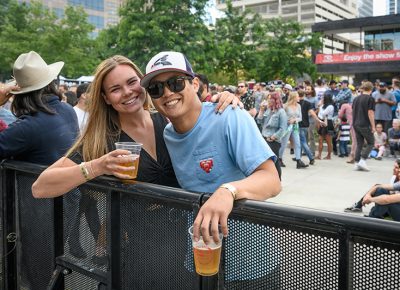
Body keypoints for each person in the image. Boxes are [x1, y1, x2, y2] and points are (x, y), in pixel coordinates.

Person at [141, 51, 281, 287]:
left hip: (252, 268)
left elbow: (272, 180)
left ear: (195, 84)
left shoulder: (228, 116)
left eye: (176, 83)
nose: (167, 93)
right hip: (199, 263)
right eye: (156, 88)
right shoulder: (167, 134)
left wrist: (228, 191)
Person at [0, 51, 79, 290]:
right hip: (69, 202)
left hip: (40, 210)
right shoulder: (66, 110)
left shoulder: (28, 127)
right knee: (54, 264)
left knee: (37, 273)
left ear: (21, 95)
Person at [257, 91, 287, 172]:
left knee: (274, 162)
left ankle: (278, 180)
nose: (267, 101)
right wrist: (261, 110)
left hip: (273, 141)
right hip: (264, 138)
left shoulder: (281, 112)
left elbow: (283, 128)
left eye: (269, 99)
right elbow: (259, 122)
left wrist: (274, 137)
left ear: (274, 100)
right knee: (265, 162)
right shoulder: (268, 110)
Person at [279, 91, 309, 169]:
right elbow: (281, 117)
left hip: (295, 126)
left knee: (297, 143)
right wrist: (287, 121)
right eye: (298, 96)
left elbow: (300, 118)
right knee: (284, 144)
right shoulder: (285, 106)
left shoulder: (298, 106)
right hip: (287, 127)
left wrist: (295, 120)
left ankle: (298, 161)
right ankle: (279, 159)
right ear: (294, 97)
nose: (299, 98)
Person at [352, 81, 375, 171]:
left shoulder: (356, 98)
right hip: (364, 123)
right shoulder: (370, 99)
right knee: (371, 142)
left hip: (355, 123)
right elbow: (370, 113)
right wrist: (373, 126)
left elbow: (353, 110)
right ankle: (363, 160)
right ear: (371, 89)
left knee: (359, 144)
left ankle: (357, 163)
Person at [316, 92, 335, 160]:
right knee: (320, 139)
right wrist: (320, 106)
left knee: (328, 141)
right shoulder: (323, 106)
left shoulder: (330, 106)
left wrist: (320, 106)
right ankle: (319, 155)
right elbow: (319, 115)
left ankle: (329, 155)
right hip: (322, 122)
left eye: (323, 97)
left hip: (328, 123)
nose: (322, 99)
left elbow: (323, 114)